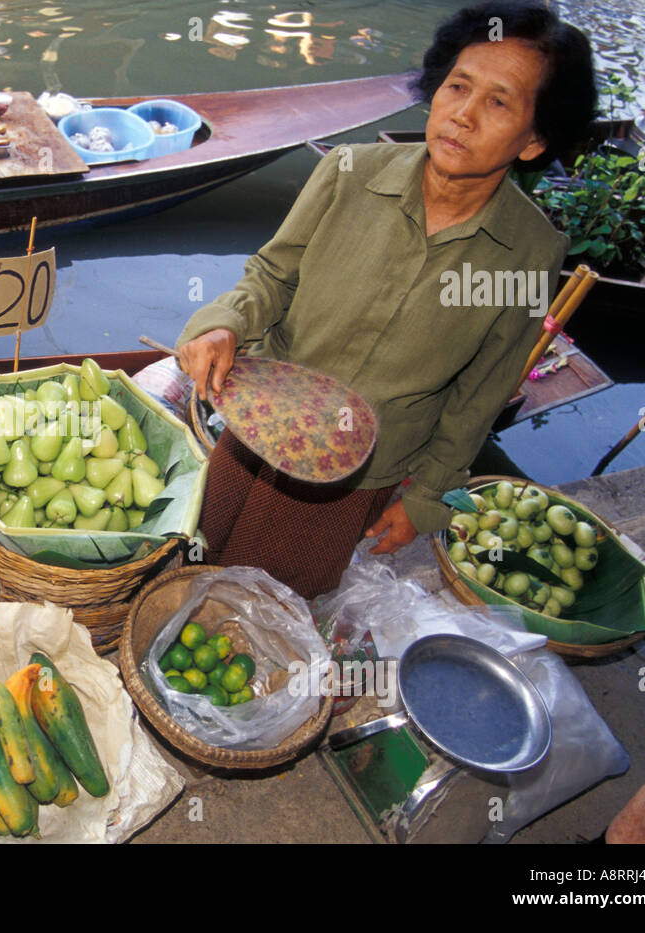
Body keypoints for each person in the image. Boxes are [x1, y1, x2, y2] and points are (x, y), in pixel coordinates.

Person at [175, 1, 596, 599]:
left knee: (266, 606)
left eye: (499, 102)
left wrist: (426, 497)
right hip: (260, 420)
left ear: (532, 141)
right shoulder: (348, 171)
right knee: (193, 552)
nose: (463, 116)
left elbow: (481, 392)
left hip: (357, 473)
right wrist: (222, 325)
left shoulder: (530, 250)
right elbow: (272, 275)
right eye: (457, 87)